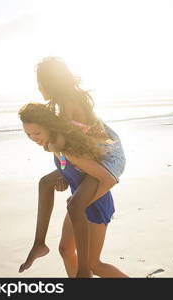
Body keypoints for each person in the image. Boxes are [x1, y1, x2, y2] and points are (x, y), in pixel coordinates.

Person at [19, 57, 126, 277]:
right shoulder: (61, 123)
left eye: (40, 83)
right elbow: (70, 150)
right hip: (88, 169)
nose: (39, 88)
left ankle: (84, 272)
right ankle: (40, 244)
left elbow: (68, 142)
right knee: (65, 249)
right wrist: (65, 176)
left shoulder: (68, 109)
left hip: (103, 172)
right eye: (29, 135)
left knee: (95, 264)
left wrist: (55, 147)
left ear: (50, 82)